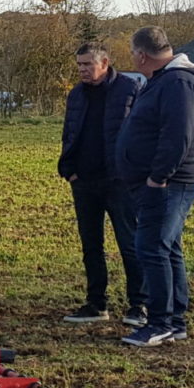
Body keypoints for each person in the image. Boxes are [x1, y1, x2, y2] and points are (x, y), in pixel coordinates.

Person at [116, 26, 194, 347]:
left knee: (151, 248)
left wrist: (158, 176)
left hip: (168, 183)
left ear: (142, 55)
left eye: (132, 53)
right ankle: (174, 321)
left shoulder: (177, 83)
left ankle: (160, 322)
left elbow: (177, 135)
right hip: (162, 182)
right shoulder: (164, 80)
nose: (132, 59)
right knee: (166, 248)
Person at [56, 42, 146, 325]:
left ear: (104, 63)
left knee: (129, 244)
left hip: (119, 182)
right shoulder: (76, 94)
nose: (82, 70)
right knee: (91, 246)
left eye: (87, 64)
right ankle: (96, 304)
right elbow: (69, 133)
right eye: (79, 65)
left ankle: (139, 304)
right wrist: (69, 170)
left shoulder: (130, 89)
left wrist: (129, 171)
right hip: (83, 181)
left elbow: (141, 133)